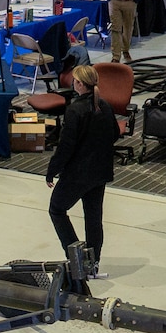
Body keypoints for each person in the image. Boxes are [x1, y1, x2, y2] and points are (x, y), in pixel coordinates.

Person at [46, 65, 115, 275]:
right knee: (93, 218)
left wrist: (52, 170)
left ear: (80, 84)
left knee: (57, 209)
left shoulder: (75, 110)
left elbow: (66, 146)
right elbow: (113, 134)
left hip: (78, 174)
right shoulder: (104, 106)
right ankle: (93, 263)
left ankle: (76, 257)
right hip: (100, 172)